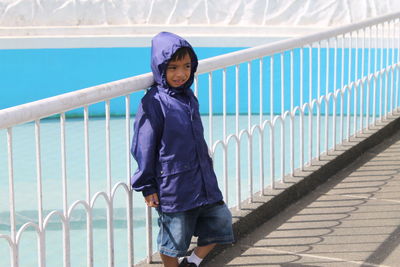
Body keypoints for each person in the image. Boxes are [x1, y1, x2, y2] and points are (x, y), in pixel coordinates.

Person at [130, 32, 234, 267]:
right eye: (173, 67)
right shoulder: (154, 103)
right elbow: (143, 146)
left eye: (187, 66)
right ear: (160, 68)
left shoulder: (188, 97)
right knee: (173, 240)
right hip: (173, 186)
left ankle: (193, 261)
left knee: (221, 221)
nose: (181, 74)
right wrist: (147, 186)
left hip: (203, 180)